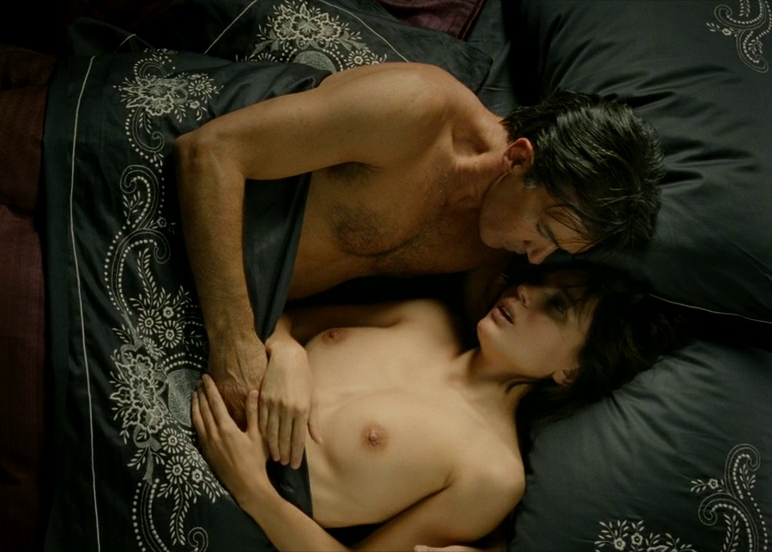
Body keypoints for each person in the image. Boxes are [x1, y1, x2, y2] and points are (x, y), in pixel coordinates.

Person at [174, 62, 665, 423]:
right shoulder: (413, 110)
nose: (537, 256)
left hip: (239, 308)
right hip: (180, 211)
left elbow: (494, 366)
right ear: (518, 160)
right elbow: (211, 153)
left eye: (557, 250)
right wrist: (235, 341)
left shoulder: (496, 247)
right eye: (545, 232)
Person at [190, 264, 686, 550]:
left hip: (239, 505)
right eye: (539, 281)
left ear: (571, 371)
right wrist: (287, 349)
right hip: (204, 378)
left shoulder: (492, 471)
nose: (526, 291)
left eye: (556, 306)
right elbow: (287, 317)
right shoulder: (427, 316)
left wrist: (253, 489)